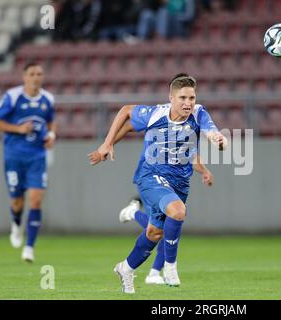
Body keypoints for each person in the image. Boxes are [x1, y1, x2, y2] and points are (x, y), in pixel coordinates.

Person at [88, 73, 227, 293]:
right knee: (178, 211)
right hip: (150, 176)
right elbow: (126, 111)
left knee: (154, 233)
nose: (188, 103)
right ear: (171, 98)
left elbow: (213, 133)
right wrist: (106, 144)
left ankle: (126, 268)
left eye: (191, 98)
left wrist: (219, 141)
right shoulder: (155, 114)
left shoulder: (199, 113)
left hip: (179, 183)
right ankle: (169, 267)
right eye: (182, 98)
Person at [0, 62, 56, 263]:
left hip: (37, 156)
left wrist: (51, 134)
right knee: (17, 202)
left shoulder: (48, 99)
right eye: (32, 74)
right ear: (24, 77)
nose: (36, 77)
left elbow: (51, 121)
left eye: (39, 73)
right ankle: (16, 224)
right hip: (14, 156)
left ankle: (29, 248)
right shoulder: (13, 96)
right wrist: (18, 129)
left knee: (36, 199)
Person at [118, 153, 214, 285]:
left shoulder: (184, 136)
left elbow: (191, 153)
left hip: (172, 181)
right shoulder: (157, 134)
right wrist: (108, 143)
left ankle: (153, 271)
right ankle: (157, 271)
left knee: (166, 225)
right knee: (163, 226)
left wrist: (204, 170)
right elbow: (126, 130)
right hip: (151, 176)